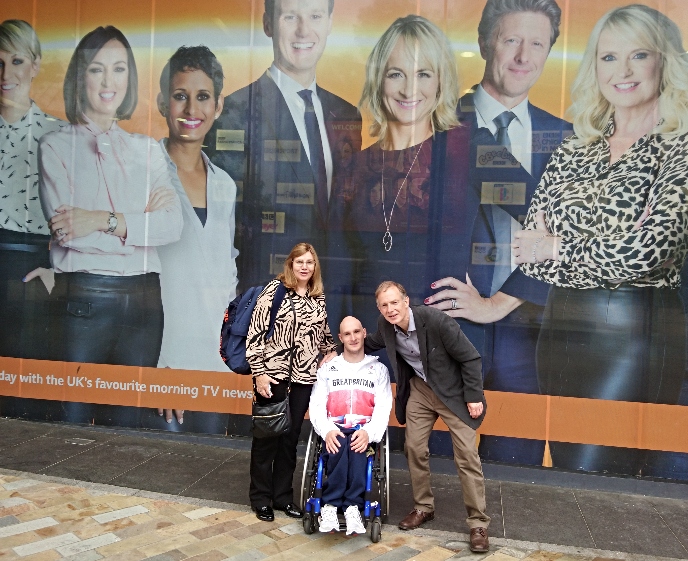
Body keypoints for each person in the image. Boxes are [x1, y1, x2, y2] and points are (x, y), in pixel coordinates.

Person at [513, 4, 688, 476]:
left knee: (601, 467)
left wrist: (561, 247)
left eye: (639, 55)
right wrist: (584, 249)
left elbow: (650, 252)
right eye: (609, 57)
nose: (624, 71)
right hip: (560, 328)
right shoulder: (578, 145)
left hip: (634, 333)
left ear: (664, 62)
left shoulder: (685, 143)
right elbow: (527, 250)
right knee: (568, 462)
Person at [424, 0, 571, 466]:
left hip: (527, 330)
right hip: (447, 318)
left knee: (518, 467)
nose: (523, 56)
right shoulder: (436, 119)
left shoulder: (567, 138)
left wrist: (496, 304)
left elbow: (572, 240)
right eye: (511, 40)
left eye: (537, 44)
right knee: (441, 463)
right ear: (486, 41)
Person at [38, 26, 183, 425]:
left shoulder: (148, 149)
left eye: (118, 69)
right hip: (84, 298)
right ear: (79, 76)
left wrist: (100, 220)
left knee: (131, 423)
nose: (108, 81)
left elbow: (173, 226)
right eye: (96, 69)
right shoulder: (55, 146)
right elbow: (69, 234)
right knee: (73, 422)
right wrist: (138, 230)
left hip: (144, 301)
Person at [204, 0, 362, 301]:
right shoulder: (234, 113)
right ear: (267, 24)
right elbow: (226, 225)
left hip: (336, 302)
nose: (304, 30)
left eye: (315, 16)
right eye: (290, 17)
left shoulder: (346, 115)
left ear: (329, 23)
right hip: (268, 299)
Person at [336, 15, 474, 353]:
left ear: (441, 83)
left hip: (439, 340)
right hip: (368, 342)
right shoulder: (354, 166)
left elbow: (545, 210)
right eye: (396, 74)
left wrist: (495, 303)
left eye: (423, 74)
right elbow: (337, 269)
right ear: (379, 81)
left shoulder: (465, 151)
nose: (409, 89)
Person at [343, 281, 490, 552]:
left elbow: (470, 359)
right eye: (384, 305)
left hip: (453, 394)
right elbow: (372, 341)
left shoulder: (436, 321)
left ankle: (478, 523)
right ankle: (424, 507)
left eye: (394, 302)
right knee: (413, 448)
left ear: (406, 301)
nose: (390, 309)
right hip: (421, 391)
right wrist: (334, 352)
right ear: (379, 307)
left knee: (467, 456)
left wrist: (473, 396)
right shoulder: (386, 324)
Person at [140, 45, 238, 433]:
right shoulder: (143, 174)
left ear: (217, 105)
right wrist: (160, 367)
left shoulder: (225, 185)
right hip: (166, 358)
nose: (191, 109)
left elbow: (224, 277)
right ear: (164, 102)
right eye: (180, 96)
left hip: (216, 363)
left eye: (202, 97)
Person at [0, 20, 65, 420]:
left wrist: (56, 267)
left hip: (32, 269)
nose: (7, 74)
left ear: (36, 65)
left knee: (25, 393)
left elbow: (75, 213)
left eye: (17, 60)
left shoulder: (57, 135)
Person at [246, 242, 336, 522]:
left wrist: (332, 350)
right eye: (300, 262)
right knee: (266, 439)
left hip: (302, 379)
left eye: (310, 262)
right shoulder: (274, 292)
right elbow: (255, 336)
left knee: (289, 439)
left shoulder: (317, 297)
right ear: (291, 264)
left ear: (315, 266)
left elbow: (323, 335)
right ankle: (261, 498)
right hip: (271, 376)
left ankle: (283, 497)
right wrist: (259, 374)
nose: (305, 267)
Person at [308, 315, 392, 535]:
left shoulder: (379, 370)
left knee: (356, 445)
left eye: (356, 332)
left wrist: (368, 432)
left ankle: (353, 507)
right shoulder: (328, 368)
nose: (353, 338)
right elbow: (316, 405)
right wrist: (327, 431)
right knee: (338, 443)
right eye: (347, 334)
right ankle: (330, 506)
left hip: (363, 430)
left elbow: (383, 408)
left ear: (364, 332)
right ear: (340, 338)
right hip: (333, 428)